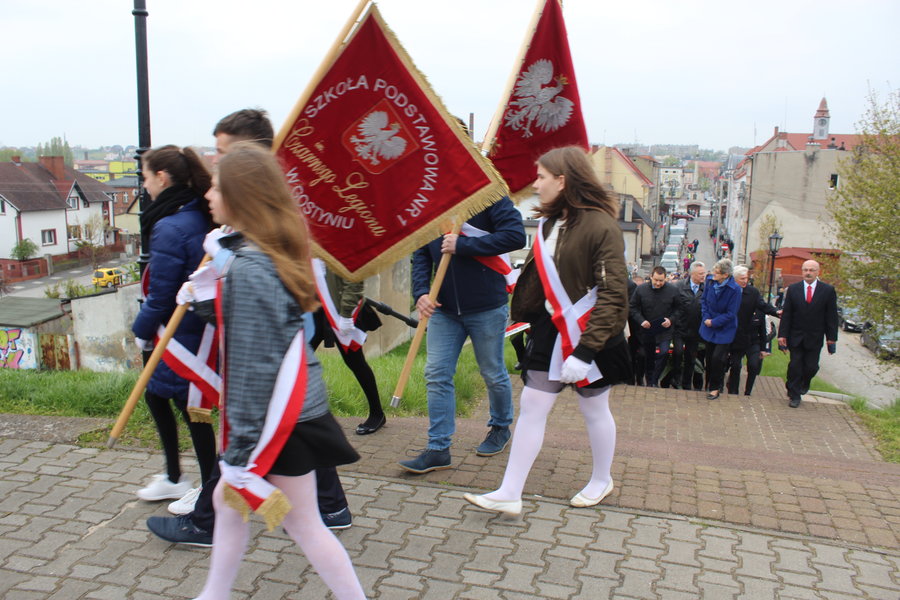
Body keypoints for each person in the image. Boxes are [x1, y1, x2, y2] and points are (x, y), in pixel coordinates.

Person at [146, 109, 353, 548]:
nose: (214, 163)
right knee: (289, 444)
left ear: (250, 154)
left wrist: (224, 256)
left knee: (267, 439)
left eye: (223, 153)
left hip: (276, 350)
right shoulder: (261, 206)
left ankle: (213, 519)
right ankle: (319, 506)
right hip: (281, 354)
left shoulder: (268, 213)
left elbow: (264, 280)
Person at [178, 143, 365, 600]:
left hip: (279, 419)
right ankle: (214, 594)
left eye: (216, 187)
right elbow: (258, 326)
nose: (208, 195)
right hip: (292, 410)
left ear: (240, 196)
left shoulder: (249, 267)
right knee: (231, 503)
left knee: (300, 523)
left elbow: (253, 366)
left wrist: (239, 449)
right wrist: (205, 300)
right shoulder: (265, 252)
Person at [463, 146, 630, 516]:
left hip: (593, 333)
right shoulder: (550, 225)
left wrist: (585, 352)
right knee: (532, 405)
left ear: (562, 180)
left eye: (541, 177)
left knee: (594, 408)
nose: (535, 185)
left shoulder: (602, 227)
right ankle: (510, 492)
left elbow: (614, 294)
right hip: (551, 330)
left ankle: (601, 479)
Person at [399, 191, 526, 474]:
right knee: (436, 374)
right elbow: (421, 254)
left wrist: (464, 245)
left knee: (492, 372)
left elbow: (515, 236)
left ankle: (500, 427)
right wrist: (421, 292)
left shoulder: (489, 197)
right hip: (443, 309)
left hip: (486, 306)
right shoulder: (430, 201)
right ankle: (438, 448)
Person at [131, 145, 217, 505]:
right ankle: (176, 477)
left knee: (192, 408)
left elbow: (161, 294)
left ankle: (206, 489)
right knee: (160, 395)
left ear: (162, 177)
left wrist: (140, 330)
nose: (145, 186)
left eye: (146, 177)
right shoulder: (197, 213)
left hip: (182, 335)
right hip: (197, 329)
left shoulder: (169, 226)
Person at [310, 262, 386, 435]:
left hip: (340, 311)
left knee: (356, 363)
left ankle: (377, 414)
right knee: (297, 362)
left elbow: (354, 278)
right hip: (314, 309)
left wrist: (346, 315)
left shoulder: (337, 244)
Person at [777, 259, 838, 408]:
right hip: (796, 336)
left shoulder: (827, 290)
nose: (808, 273)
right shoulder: (793, 289)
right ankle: (795, 395)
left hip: (815, 336)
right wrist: (782, 335)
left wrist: (831, 338)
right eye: (805, 270)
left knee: (811, 367)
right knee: (795, 365)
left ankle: (804, 382)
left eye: (811, 270)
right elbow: (787, 314)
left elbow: (831, 315)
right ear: (802, 271)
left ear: (818, 272)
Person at [725, 265, 781, 395]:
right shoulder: (728, 291)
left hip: (750, 337)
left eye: (746, 278)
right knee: (735, 366)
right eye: (742, 278)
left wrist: (776, 312)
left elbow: (763, 306)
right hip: (734, 336)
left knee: (754, 365)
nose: (745, 281)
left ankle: (748, 392)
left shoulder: (753, 292)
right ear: (734, 279)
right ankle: (733, 391)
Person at [629, 266, 680, 387]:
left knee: (664, 353)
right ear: (651, 277)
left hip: (664, 330)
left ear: (665, 278)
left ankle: (654, 380)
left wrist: (671, 320)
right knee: (647, 356)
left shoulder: (673, 290)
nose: (658, 283)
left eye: (661, 281)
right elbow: (633, 307)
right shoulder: (641, 289)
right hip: (646, 330)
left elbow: (679, 309)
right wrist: (641, 321)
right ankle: (648, 379)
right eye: (656, 280)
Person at [699, 258, 741, 400]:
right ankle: (708, 383)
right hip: (709, 326)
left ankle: (715, 388)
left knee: (718, 358)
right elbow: (704, 301)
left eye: (717, 272)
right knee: (709, 358)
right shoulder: (710, 282)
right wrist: (706, 318)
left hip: (724, 329)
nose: (713, 274)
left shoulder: (735, 290)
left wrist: (714, 322)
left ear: (725, 275)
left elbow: (731, 313)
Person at [671, 261, 706, 390]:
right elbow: (672, 305)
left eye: (704, 273)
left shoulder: (706, 289)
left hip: (695, 329)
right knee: (678, 352)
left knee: (691, 358)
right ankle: (676, 378)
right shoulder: (679, 286)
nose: (703, 276)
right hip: (680, 327)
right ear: (692, 274)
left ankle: (686, 383)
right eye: (700, 273)